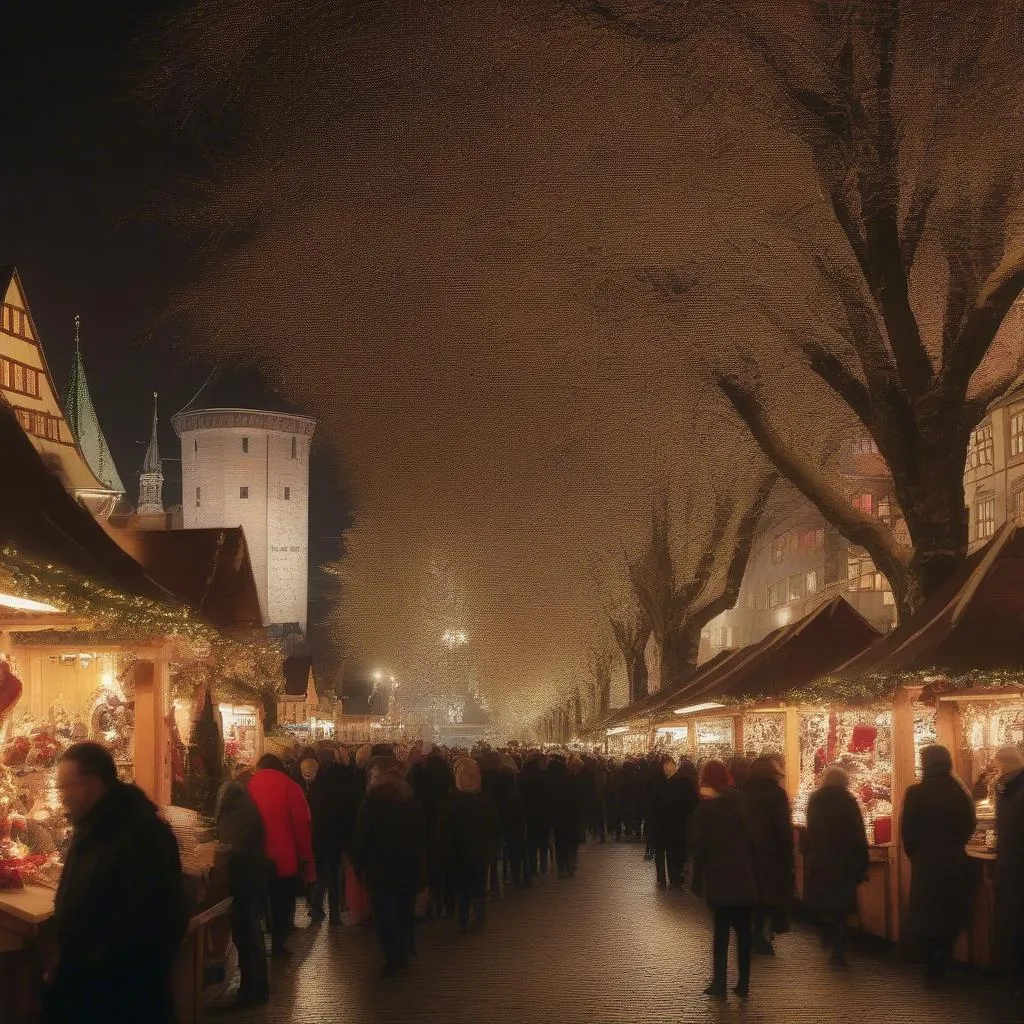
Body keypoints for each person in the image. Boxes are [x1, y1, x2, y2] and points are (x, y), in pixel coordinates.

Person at [43, 742, 187, 1023]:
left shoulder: (140, 834)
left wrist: (93, 971)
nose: (61, 797)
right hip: (85, 996)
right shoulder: (89, 830)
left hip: (121, 1003)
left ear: (94, 784)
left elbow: (155, 924)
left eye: (67, 787)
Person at [352, 757, 426, 976]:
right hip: (408, 866)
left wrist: (359, 863)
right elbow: (421, 835)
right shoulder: (411, 799)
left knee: (385, 915)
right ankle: (403, 954)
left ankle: (391, 957)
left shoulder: (373, 801)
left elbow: (363, 836)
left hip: (381, 868)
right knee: (404, 912)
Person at [691, 759, 756, 999]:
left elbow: (700, 847)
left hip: (720, 877)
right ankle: (744, 982)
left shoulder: (707, 809)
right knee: (744, 932)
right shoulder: (742, 802)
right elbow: (754, 839)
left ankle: (719, 982)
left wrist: (697, 880)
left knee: (720, 932)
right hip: (743, 875)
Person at [248, 753, 315, 954]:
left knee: (258, 900)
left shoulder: (248, 785)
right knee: (281, 901)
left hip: (254, 856)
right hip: (284, 857)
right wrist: (306, 855)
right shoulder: (291, 787)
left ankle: (259, 938)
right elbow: (302, 825)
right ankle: (278, 942)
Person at [215, 767, 270, 1007]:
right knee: (249, 932)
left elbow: (234, 845)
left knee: (247, 931)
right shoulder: (244, 808)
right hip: (250, 875)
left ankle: (254, 988)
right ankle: (253, 985)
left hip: (244, 878)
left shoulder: (235, 813)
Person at [804, 765, 869, 968]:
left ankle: (826, 932)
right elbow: (858, 833)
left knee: (824, 902)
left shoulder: (815, 800)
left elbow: (810, 829)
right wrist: (863, 861)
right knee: (840, 909)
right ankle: (838, 951)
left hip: (821, 858)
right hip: (843, 860)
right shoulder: (849, 802)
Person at [438, 757, 498, 931]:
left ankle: (463, 917)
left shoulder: (451, 803)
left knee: (462, 885)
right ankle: (479, 914)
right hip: (480, 851)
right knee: (478, 883)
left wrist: (443, 851)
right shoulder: (485, 802)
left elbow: (444, 831)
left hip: (459, 852)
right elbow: (493, 827)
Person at [743, 755, 794, 955]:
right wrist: (787, 851)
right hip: (770, 853)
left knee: (753, 896)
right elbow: (782, 827)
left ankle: (751, 935)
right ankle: (761, 937)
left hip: (747, 852)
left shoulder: (743, 792)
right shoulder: (776, 794)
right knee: (767, 896)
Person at [993, 745, 1024, 993]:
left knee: (1010, 918)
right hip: (1013, 860)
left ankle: (1011, 973)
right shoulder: (1006, 786)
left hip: (1009, 861)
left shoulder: (1003, 787)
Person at [307, 747, 347, 925]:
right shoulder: (342, 780)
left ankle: (316, 906)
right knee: (335, 875)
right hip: (337, 833)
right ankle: (334, 914)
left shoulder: (317, 783)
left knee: (322, 874)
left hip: (319, 834)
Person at [662, 756, 698, 889]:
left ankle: (675, 878)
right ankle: (680, 875)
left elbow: (664, 806)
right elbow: (694, 802)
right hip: (683, 823)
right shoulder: (687, 783)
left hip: (671, 824)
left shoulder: (669, 784)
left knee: (672, 852)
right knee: (681, 849)